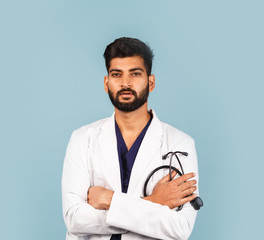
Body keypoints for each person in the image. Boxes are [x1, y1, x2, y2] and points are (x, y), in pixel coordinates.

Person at [61, 37, 200, 240]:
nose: (125, 83)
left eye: (135, 74)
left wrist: (108, 199)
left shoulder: (180, 144)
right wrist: (154, 201)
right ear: (106, 83)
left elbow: (180, 227)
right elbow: (75, 219)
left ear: (150, 82)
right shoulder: (82, 139)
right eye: (117, 74)